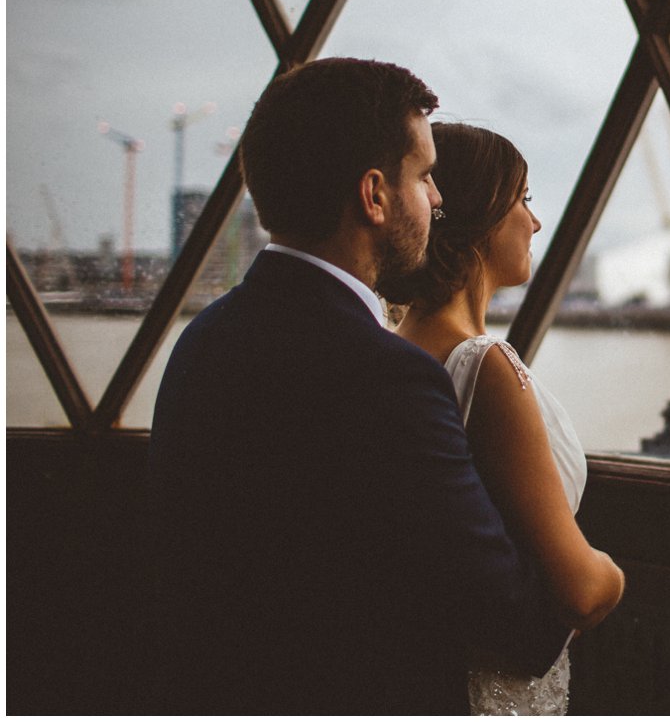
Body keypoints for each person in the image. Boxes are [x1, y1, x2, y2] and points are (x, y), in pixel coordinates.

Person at [149, 59, 572, 714]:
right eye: (425, 175)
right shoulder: (385, 378)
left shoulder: (203, 339)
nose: (437, 199)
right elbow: (514, 622)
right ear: (374, 195)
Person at [384, 123, 625, 715]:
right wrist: (615, 576)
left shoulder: (395, 349)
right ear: (482, 215)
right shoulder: (486, 366)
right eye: (524, 200)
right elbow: (580, 589)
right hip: (495, 682)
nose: (535, 223)